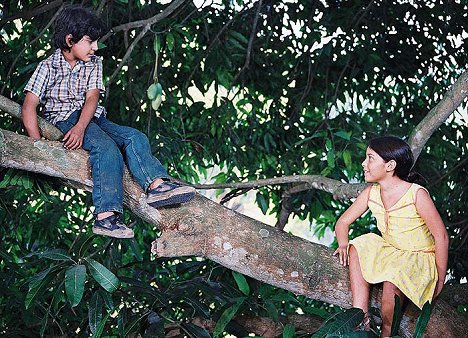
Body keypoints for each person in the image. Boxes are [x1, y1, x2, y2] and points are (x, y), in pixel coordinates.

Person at [21, 5, 196, 239]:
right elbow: (29, 105)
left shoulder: (94, 63)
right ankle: (105, 217)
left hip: (91, 118)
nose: (95, 47)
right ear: (70, 39)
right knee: (107, 150)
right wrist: (37, 143)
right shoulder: (47, 67)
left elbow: (92, 98)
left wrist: (82, 127)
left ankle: (156, 187)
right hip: (64, 119)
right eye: (90, 41)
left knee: (135, 137)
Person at [333, 136, 448, 337]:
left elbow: (441, 237)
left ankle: (387, 333)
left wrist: (439, 277)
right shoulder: (371, 193)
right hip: (392, 250)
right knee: (358, 245)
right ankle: (361, 317)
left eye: (370, 158)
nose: (364, 164)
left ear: (390, 165)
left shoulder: (416, 194)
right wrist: (343, 244)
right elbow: (343, 222)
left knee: (392, 283)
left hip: (419, 256)